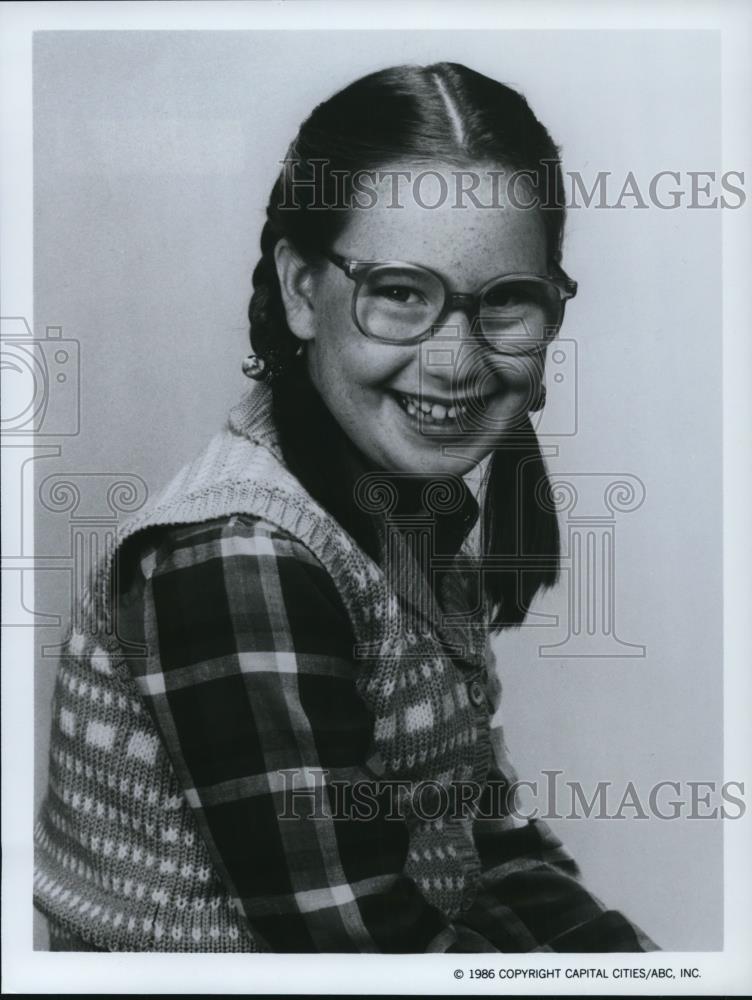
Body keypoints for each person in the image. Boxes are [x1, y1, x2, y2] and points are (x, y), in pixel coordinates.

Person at [33, 62, 657, 953]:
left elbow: (491, 850)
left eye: (508, 300)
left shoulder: (401, 513)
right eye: (400, 292)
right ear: (300, 289)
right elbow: (365, 958)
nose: (457, 361)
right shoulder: (239, 552)